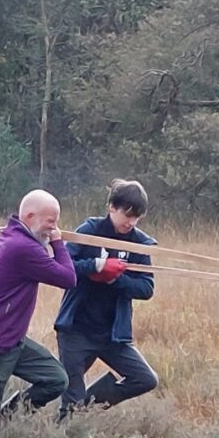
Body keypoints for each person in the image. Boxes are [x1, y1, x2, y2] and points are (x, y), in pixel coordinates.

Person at [0, 190, 77, 434]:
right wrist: (58, 242)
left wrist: (49, 238)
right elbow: (68, 278)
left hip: (12, 340)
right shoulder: (22, 247)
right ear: (31, 216)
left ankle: (5, 421)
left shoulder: (15, 235)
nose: (54, 228)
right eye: (51, 222)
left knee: (55, 380)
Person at [57, 179, 159, 419]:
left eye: (137, 217)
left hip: (113, 333)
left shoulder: (141, 243)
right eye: (127, 214)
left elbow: (146, 288)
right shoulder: (90, 230)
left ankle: (86, 407)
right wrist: (96, 266)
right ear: (112, 207)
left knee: (145, 379)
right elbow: (63, 266)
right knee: (67, 394)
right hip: (76, 329)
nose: (131, 222)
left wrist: (115, 279)